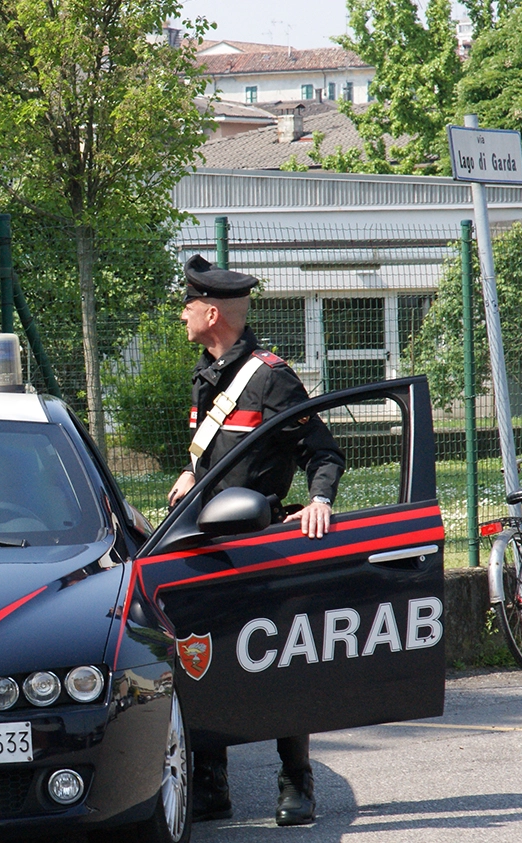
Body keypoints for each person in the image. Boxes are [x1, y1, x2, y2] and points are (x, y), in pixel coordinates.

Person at [165, 254, 345, 828]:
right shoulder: (206, 372)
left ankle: (297, 780)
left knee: (279, 663)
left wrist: (319, 501)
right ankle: (212, 782)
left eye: (188, 306)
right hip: (205, 544)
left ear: (211, 311)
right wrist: (193, 473)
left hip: (262, 542)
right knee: (204, 661)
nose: (183, 315)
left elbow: (322, 451)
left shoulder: (270, 377)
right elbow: (218, 451)